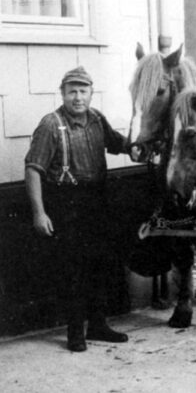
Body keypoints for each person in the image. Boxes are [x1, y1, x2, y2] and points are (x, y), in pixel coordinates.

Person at [25, 66, 130, 352]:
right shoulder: (50, 124)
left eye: (83, 91)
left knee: (100, 264)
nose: (78, 97)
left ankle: (98, 325)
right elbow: (33, 169)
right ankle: (75, 332)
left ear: (91, 94)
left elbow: (117, 144)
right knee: (73, 270)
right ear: (63, 94)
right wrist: (39, 213)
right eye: (72, 91)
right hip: (65, 203)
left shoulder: (97, 119)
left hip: (97, 199)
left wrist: (138, 146)